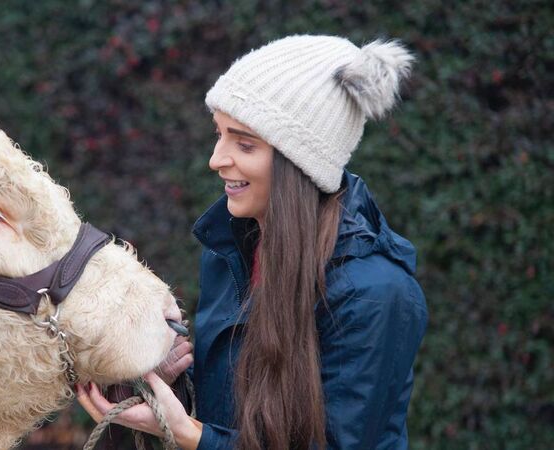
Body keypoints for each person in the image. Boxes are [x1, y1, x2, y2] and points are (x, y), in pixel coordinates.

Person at [78, 34, 429, 449]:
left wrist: (189, 433)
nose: (216, 159)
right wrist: (170, 386)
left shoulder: (374, 294)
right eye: (219, 134)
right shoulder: (231, 253)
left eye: (244, 143)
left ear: (300, 164)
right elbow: (235, 413)